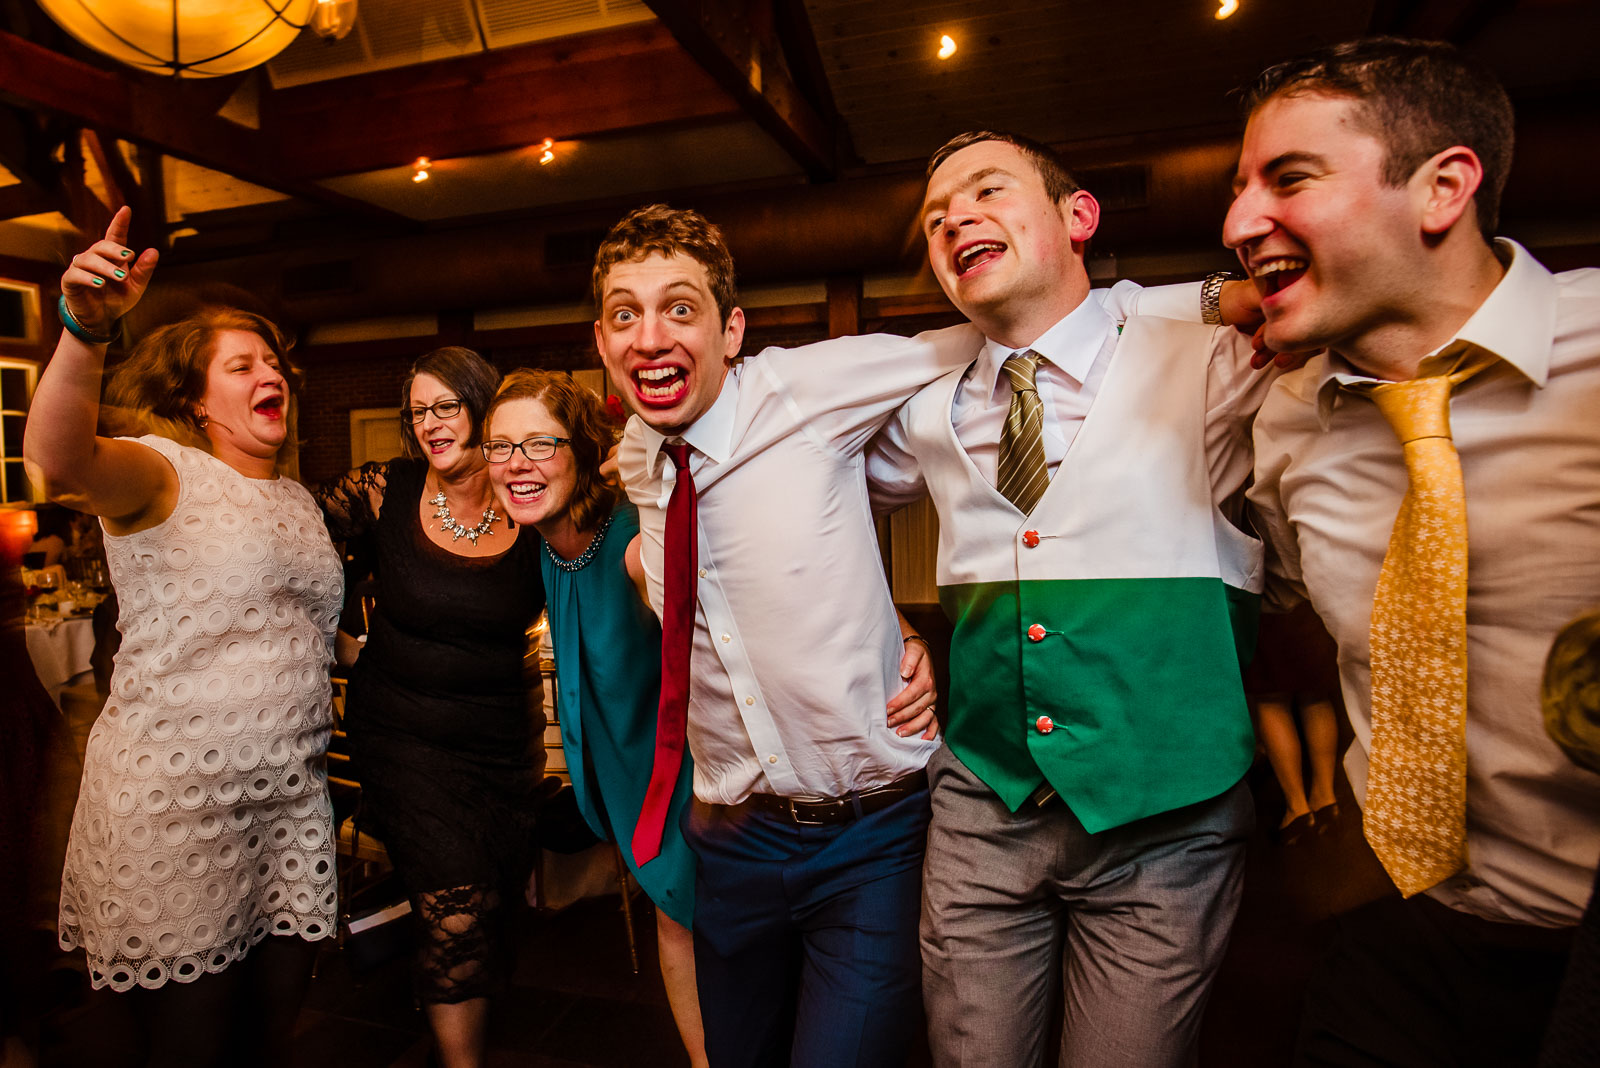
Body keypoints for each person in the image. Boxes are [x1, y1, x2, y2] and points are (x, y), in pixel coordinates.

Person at [1225, 37, 1600, 1065]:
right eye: (1238, 188)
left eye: (1286, 179)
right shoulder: (1288, 422)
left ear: (1441, 188)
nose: (1236, 223)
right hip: (1393, 932)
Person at [862, 130, 1273, 1067]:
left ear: (1078, 216)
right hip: (981, 807)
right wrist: (882, 619)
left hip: (1162, 821)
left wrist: (1212, 294)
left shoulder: (1210, 358)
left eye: (987, 190)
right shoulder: (929, 399)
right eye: (935, 216)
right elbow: (810, 495)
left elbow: (1322, 288)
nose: (955, 215)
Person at [598, 204, 954, 1067]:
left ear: (732, 331)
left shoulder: (804, 390)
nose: (650, 335)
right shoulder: (643, 456)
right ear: (602, 339)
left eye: (680, 308)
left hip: (868, 832)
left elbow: (987, 334)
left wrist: (1211, 303)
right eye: (623, 313)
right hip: (732, 837)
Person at [23, 207, 343, 1066]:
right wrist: (85, 332)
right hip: (177, 817)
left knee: (270, 1031)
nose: (270, 372)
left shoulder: (298, 500)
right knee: (190, 1047)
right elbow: (56, 462)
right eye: (242, 365)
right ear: (199, 401)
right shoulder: (162, 474)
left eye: (275, 361)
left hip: (288, 809)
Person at [314, 346, 545, 1068]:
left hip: (500, 744)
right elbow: (288, 548)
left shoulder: (529, 497)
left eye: (445, 405)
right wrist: (342, 643)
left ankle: (438, 985)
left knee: (486, 900)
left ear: (482, 407)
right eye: (417, 412)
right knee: (457, 907)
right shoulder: (387, 489)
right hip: (402, 736)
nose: (429, 423)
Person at [481, 368, 707, 1066]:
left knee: (707, 926)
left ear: (582, 448)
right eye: (499, 446)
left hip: (695, 766)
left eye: (539, 443)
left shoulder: (638, 525)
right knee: (674, 922)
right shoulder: (540, 540)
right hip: (619, 768)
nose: (515, 463)